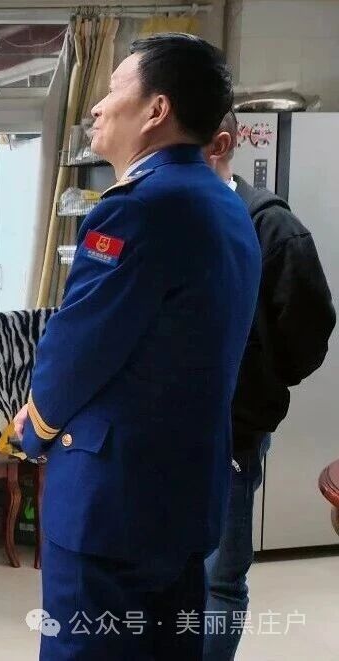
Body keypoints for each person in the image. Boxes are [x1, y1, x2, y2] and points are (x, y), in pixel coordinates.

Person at [12, 34, 261, 660]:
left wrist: (35, 426)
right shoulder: (223, 201)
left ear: (156, 110)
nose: (97, 106)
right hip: (184, 486)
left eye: (113, 89)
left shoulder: (140, 206)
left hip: (112, 498)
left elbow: (80, 343)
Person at [200, 111, 335, 660]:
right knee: (164, 571)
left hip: (234, 431)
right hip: (161, 433)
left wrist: (258, 383)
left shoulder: (271, 226)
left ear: (219, 145)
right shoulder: (164, 216)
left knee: (219, 578)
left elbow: (309, 326)